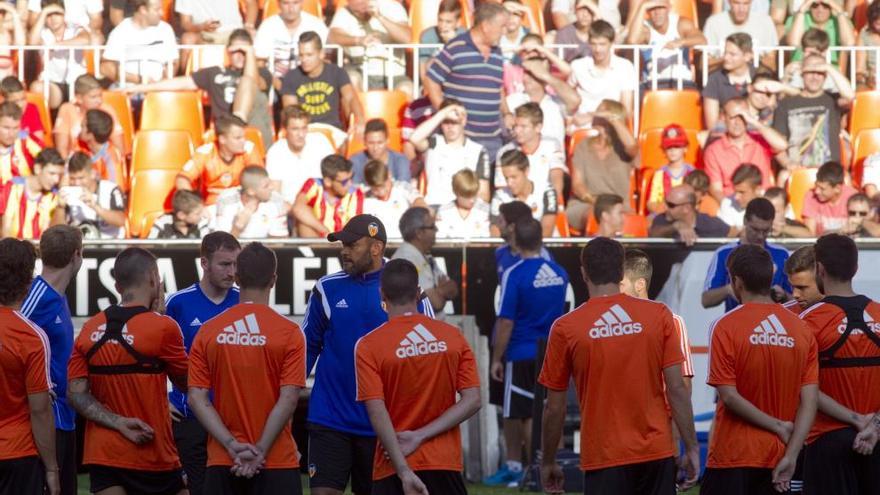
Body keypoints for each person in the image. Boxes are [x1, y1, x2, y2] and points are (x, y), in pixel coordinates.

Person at [539, 237, 700, 494]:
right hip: (655, 452)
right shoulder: (659, 315)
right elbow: (678, 388)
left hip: (604, 455)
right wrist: (691, 447)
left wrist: (548, 461)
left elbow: (554, 406)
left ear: (583, 272)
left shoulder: (566, 327)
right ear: (619, 271)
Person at [304, 215, 433, 495]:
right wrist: (284, 397)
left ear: (376, 248)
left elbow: (429, 353)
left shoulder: (407, 290)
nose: (344, 250)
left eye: (352, 244)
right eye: (342, 244)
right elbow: (306, 348)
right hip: (331, 417)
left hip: (384, 423)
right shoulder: (326, 288)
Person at [67, 247, 188, 495]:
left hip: (104, 455)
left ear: (117, 285)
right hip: (154, 452)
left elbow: (76, 394)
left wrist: (118, 422)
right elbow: (189, 384)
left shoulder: (89, 329)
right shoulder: (164, 328)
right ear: (154, 278)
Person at [355, 258, 481, 495]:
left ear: (382, 294)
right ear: (418, 292)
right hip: (444, 463)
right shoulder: (452, 337)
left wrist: (403, 470)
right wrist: (421, 436)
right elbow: (473, 399)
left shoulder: (369, 346)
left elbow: (376, 410)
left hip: (393, 463)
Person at [188, 242, 306, 494]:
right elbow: (288, 399)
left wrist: (231, 445)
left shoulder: (208, 330)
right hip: (276, 458)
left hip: (223, 458)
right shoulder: (290, 333)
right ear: (274, 279)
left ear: (237, 278)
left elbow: (197, 397)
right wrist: (260, 449)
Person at [701, 244, 819, 495]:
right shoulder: (801, 329)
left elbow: (729, 396)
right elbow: (809, 401)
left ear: (737, 282)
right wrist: (793, 454)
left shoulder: (725, 325)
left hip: (732, 456)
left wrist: (777, 426)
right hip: (780, 455)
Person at [486, 218, 567, 487]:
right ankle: (540, 466)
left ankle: (532, 470)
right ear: (541, 240)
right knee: (542, 409)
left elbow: (506, 321)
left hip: (521, 352)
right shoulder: (559, 272)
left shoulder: (514, 273)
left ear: (516, 242)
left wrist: (497, 358)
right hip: (550, 352)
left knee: (523, 413)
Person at [799, 234, 880, 495]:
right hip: (877, 437)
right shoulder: (878, 313)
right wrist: (874, 423)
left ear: (819, 269)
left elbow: (803, 387)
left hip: (827, 441)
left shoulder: (807, 321)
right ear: (855, 268)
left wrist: (857, 420)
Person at [164, 232, 241, 495]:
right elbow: (154, 355)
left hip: (235, 418)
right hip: (190, 417)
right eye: (224, 264)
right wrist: (162, 399)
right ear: (204, 263)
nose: (232, 272)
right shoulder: (177, 303)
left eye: (235, 264)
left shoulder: (244, 301)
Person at [123, 29, 274, 144]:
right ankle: (234, 127)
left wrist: (250, 53)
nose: (240, 56)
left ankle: (238, 123)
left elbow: (253, 83)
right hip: (224, 132)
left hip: (252, 129)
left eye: (244, 51)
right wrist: (139, 88)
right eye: (236, 51)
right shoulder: (215, 73)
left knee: (249, 86)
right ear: (228, 51)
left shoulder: (262, 73)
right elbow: (180, 82)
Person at [19, 226, 81, 495]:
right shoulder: (34, 298)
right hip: (44, 422)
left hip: (65, 418)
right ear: (77, 256)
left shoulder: (56, 296)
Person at [620, 248, 695, 453]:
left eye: (620, 284)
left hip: (660, 433)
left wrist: (676, 436)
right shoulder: (612, 327)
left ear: (640, 284)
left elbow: (683, 386)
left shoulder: (672, 322)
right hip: (620, 431)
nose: (615, 291)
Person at [0, 238, 59, 495]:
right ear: (28, 282)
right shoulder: (31, 336)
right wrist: (52, 469)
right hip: (17, 453)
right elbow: (40, 411)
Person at [426, 1, 509, 161]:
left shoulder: (497, 52)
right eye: (502, 26)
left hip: (493, 139)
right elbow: (431, 80)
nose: (504, 32)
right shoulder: (456, 48)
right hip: (462, 140)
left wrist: (506, 113)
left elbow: (497, 88)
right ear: (486, 26)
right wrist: (445, 113)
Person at [702, 198, 792, 312]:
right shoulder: (724, 253)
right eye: (755, 229)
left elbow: (798, 299)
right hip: (738, 324)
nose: (760, 236)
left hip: (773, 324)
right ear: (745, 221)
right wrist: (728, 289)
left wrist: (784, 295)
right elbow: (706, 300)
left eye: (765, 230)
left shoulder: (781, 254)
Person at [281, 31, 365, 145]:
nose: (304, 59)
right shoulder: (291, 77)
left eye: (309, 55)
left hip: (333, 130)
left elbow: (350, 98)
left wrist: (360, 119)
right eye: (301, 55)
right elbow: (291, 112)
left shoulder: (337, 72)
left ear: (321, 54)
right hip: (305, 131)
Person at [773, 55, 854, 172]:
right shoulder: (786, 104)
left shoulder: (832, 100)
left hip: (830, 170)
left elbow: (850, 97)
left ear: (826, 76)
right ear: (802, 75)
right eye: (810, 72)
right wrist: (787, 164)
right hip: (797, 169)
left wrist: (829, 68)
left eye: (820, 73)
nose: (815, 77)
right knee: (783, 177)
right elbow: (777, 143)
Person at [567, 99, 639, 231]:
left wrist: (612, 118)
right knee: (597, 216)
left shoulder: (622, 147)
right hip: (587, 203)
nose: (596, 114)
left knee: (613, 215)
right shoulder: (583, 146)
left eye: (600, 111)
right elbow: (577, 185)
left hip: (618, 205)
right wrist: (599, 204)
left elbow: (632, 146)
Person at [409, 99, 491, 206]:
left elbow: (484, 194)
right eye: (446, 122)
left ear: (464, 121)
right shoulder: (433, 143)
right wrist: (443, 113)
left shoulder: (478, 150)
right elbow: (414, 138)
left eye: (454, 122)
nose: (450, 127)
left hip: (463, 208)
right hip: (434, 205)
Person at [504, 36, 580, 148]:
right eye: (526, 72)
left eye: (533, 73)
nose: (527, 77)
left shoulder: (556, 103)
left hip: (552, 162)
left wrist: (545, 75)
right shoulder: (513, 100)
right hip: (521, 161)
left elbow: (575, 100)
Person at [704, 98, 785, 202]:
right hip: (733, 202)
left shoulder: (760, 140)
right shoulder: (713, 151)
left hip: (763, 201)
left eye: (742, 117)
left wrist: (754, 122)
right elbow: (716, 190)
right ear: (723, 118)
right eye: (733, 117)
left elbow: (782, 145)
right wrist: (729, 210)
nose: (737, 122)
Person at [177, 115, 264, 205]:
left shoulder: (248, 149)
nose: (243, 141)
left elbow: (259, 180)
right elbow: (182, 179)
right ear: (222, 139)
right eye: (238, 138)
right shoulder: (206, 152)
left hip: (242, 202)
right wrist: (194, 205)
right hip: (213, 206)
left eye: (244, 137)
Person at [327, 0, 411, 89]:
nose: (362, 12)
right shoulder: (344, 12)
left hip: (394, 74)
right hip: (359, 71)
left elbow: (407, 38)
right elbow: (333, 36)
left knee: (407, 88)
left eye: (363, 5)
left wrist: (380, 17)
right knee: (351, 78)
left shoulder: (393, 7)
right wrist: (358, 40)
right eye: (356, 11)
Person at [393, 207, 459, 318]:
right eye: (432, 227)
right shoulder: (406, 260)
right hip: (420, 331)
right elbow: (435, 303)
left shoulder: (425, 257)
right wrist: (442, 291)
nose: (436, 230)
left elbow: (453, 289)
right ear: (419, 233)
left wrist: (438, 291)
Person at [495, 102, 566, 202]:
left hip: (545, 203)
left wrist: (550, 205)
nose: (517, 131)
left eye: (523, 126)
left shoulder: (551, 145)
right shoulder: (505, 152)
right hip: (515, 206)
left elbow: (556, 178)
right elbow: (502, 189)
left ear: (538, 127)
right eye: (515, 126)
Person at [624, 0, 706, 87]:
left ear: (669, 8)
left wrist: (680, 42)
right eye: (652, 8)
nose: (657, 13)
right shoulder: (645, 29)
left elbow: (702, 40)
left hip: (683, 82)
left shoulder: (680, 23)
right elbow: (632, 41)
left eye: (660, 8)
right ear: (647, 11)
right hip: (652, 84)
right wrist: (642, 6)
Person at [569, 20, 636, 124]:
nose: (597, 49)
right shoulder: (578, 66)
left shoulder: (625, 67)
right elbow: (567, 99)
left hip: (611, 124)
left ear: (612, 43)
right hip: (581, 127)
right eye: (594, 44)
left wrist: (593, 117)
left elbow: (626, 111)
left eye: (602, 44)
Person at [266, 104, 336, 202]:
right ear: (285, 129)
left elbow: (335, 176)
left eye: (304, 128)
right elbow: (275, 193)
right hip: (290, 207)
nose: (301, 134)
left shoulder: (321, 142)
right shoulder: (275, 152)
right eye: (295, 129)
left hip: (322, 203)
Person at [27, 0, 89, 111]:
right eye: (49, 15)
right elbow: (32, 42)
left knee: (90, 90)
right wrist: (43, 14)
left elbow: (85, 39)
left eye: (57, 14)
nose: (53, 19)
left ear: (64, 14)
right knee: (37, 87)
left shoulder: (74, 28)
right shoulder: (43, 33)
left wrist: (57, 45)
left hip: (77, 81)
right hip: (53, 82)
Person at [101, 0, 179, 85]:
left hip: (158, 91)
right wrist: (139, 79)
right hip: (126, 89)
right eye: (157, 9)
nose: (162, 13)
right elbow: (105, 67)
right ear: (143, 10)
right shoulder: (121, 31)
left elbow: (173, 62)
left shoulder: (166, 29)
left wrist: (162, 83)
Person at [254, 0, 328, 82]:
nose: (291, 8)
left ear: (302, 3)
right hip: (275, 81)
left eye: (295, 3)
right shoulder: (267, 26)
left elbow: (326, 58)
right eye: (286, 3)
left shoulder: (316, 25)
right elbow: (259, 61)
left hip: (310, 81)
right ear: (278, 4)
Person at [52, 74, 124, 159]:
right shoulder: (67, 109)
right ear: (79, 98)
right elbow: (61, 148)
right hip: (76, 163)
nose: (99, 101)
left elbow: (119, 149)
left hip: (103, 162)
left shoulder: (107, 110)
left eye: (100, 96)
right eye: (93, 97)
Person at [490, 149, 558, 237]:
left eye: (514, 177)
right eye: (506, 178)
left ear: (526, 171)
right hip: (514, 248)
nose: (509, 183)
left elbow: (547, 229)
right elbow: (495, 231)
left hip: (545, 247)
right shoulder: (500, 196)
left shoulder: (547, 190)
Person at [292, 154, 364, 237]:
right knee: (304, 223)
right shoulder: (314, 184)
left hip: (342, 244)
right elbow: (298, 208)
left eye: (352, 177)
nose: (350, 184)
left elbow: (354, 229)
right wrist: (324, 231)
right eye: (344, 182)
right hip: (318, 240)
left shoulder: (355, 193)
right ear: (328, 182)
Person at [1, 147, 66, 239]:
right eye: (52, 173)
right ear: (38, 169)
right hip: (13, 250)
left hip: (39, 251)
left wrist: (60, 208)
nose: (56, 180)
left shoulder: (54, 196)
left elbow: (57, 234)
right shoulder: (12, 187)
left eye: (59, 175)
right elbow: (5, 229)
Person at [62, 151, 126, 239]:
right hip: (81, 248)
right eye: (72, 178)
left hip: (111, 248)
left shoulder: (111, 189)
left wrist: (95, 206)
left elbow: (121, 221)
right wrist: (59, 207)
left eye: (81, 178)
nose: (77, 183)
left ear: (92, 174)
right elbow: (56, 230)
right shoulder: (67, 193)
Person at [212, 166, 289, 238]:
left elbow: (279, 241)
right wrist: (237, 229)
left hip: (264, 250)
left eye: (270, 183)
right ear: (251, 191)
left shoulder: (276, 200)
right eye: (266, 186)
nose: (272, 188)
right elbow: (221, 248)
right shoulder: (227, 200)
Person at [702, 33, 756, 131]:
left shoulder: (759, 77)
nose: (726, 58)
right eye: (725, 53)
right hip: (725, 135)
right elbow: (712, 125)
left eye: (732, 54)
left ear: (747, 56)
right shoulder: (714, 79)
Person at [703, 0, 778, 68]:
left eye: (746, 4)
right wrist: (729, 59)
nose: (741, 9)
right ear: (729, 2)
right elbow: (703, 64)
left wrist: (753, 59)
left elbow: (772, 63)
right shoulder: (713, 22)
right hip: (723, 77)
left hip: (756, 75)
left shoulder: (765, 22)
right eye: (736, 3)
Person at [649, 184, 732, 245]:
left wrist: (743, 232)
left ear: (687, 208)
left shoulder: (710, 223)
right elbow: (653, 235)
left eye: (671, 205)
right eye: (665, 202)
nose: (665, 207)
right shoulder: (662, 219)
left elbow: (733, 234)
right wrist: (676, 226)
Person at [363, 160, 425, 239]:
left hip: (405, 242)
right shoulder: (365, 198)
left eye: (383, 186)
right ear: (368, 184)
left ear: (389, 175)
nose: (381, 192)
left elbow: (420, 202)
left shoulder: (403, 188)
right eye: (375, 189)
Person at [494, 200, 554, 279]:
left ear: (511, 227)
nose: (497, 225)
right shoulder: (500, 252)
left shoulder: (542, 255)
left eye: (501, 221)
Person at [646, 123, 696, 214]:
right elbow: (651, 202)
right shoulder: (660, 174)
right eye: (669, 147)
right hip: (665, 216)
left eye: (676, 147)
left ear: (685, 148)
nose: (672, 150)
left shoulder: (692, 173)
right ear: (664, 150)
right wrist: (660, 209)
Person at [785, 0, 855, 64]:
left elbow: (849, 43)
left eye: (825, 5)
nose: (820, 10)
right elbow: (794, 43)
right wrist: (802, 10)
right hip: (801, 68)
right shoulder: (796, 19)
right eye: (815, 5)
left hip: (830, 71)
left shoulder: (841, 20)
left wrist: (839, 11)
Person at [802, 160, 858, 235]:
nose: (817, 191)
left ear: (837, 189)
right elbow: (809, 234)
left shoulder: (853, 198)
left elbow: (857, 229)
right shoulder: (811, 196)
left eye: (822, 189)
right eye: (816, 186)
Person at [77, 108, 127, 191]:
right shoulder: (79, 146)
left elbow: (114, 191)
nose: (80, 130)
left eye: (82, 126)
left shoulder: (111, 158)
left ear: (91, 135)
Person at [350, 119, 411, 185]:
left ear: (387, 141)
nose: (375, 148)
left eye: (380, 143)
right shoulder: (355, 161)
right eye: (371, 143)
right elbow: (352, 188)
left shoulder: (400, 160)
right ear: (364, 142)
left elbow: (404, 187)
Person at [436, 169, 492, 238]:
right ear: (456, 193)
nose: (472, 200)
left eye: (474, 195)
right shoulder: (444, 212)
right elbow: (440, 240)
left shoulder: (485, 210)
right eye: (467, 197)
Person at [176, 0, 256, 47]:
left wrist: (249, 26)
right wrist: (202, 27)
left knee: (251, 35)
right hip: (203, 35)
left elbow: (251, 3)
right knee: (187, 39)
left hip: (233, 32)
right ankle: (187, 75)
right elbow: (185, 23)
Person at [0, 101, 43, 185]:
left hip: (25, 193)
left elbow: (47, 159)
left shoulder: (25, 140)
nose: (11, 133)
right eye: (6, 128)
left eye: (15, 128)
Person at [417, 0, 466, 67]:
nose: (443, 26)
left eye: (448, 22)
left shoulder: (465, 36)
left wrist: (454, 43)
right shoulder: (427, 36)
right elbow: (423, 73)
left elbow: (467, 69)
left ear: (458, 23)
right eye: (440, 20)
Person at [717, 163, 764, 230]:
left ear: (757, 190)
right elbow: (724, 236)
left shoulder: (772, 203)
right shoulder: (727, 204)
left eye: (742, 192)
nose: (736, 197)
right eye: (735, 191)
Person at [0, 76, 45, 144]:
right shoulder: (1, 113)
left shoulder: (31, 109)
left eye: (23, 99)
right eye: (15, 101)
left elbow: (39, 140)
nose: (21, 105)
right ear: (4, 100)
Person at [783, 245, 823, 313]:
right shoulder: (782, 314)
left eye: (802, 288)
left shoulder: (844, 313)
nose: (795, 294)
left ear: (823, 280)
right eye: (792, 287)